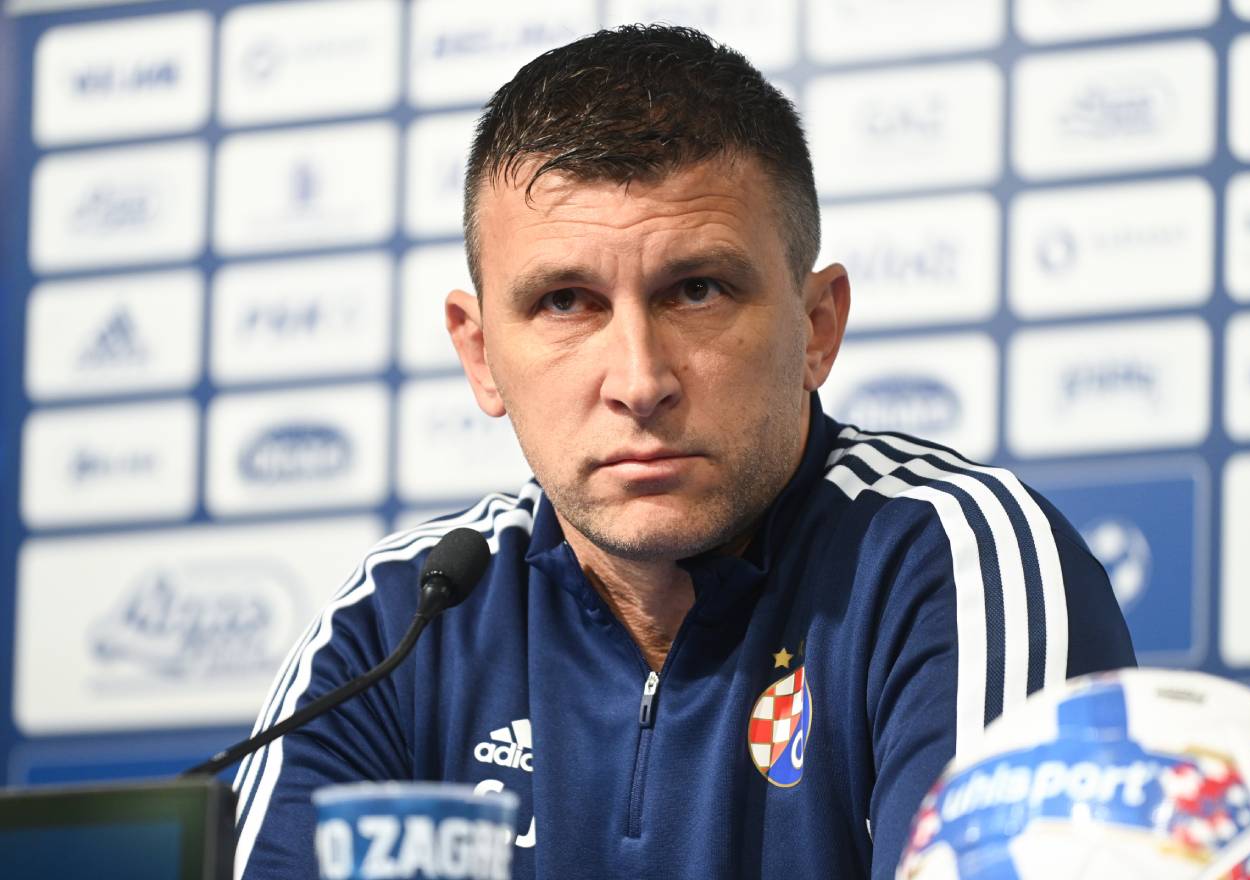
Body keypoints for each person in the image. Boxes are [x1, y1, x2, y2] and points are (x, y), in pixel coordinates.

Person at [233, 25, 1135, 880]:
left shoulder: (954, 566)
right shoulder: (399, 625)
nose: (639, 380)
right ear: (480, 355)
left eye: (697, 290)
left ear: (817, 328)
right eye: (564, 302)